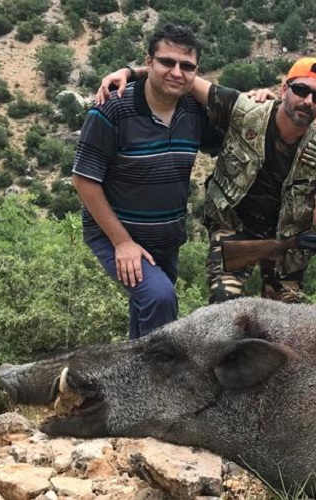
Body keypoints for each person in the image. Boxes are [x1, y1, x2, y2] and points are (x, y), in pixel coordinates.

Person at [98, 57, 316, 304]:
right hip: (232, 228)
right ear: (284, 89)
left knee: (291, 313)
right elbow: (184, 79)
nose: (308, 101)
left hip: (287, 242)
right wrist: (130, 73)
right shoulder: (245, 110)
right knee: (224, 301)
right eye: (301, 90)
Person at [73, 24, 223, 339]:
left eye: (187, 66)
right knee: (160, 299)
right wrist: (122, 243)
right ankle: (157, 374)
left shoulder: (195, 111)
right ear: (149, 62)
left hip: (167, 239)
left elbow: (234, 127)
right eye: (167, 62)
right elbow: (84, 180)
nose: (177, 72)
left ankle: (133, 371)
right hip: (117, 234)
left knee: (148, 321)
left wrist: (258, 100)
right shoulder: (113, 109)